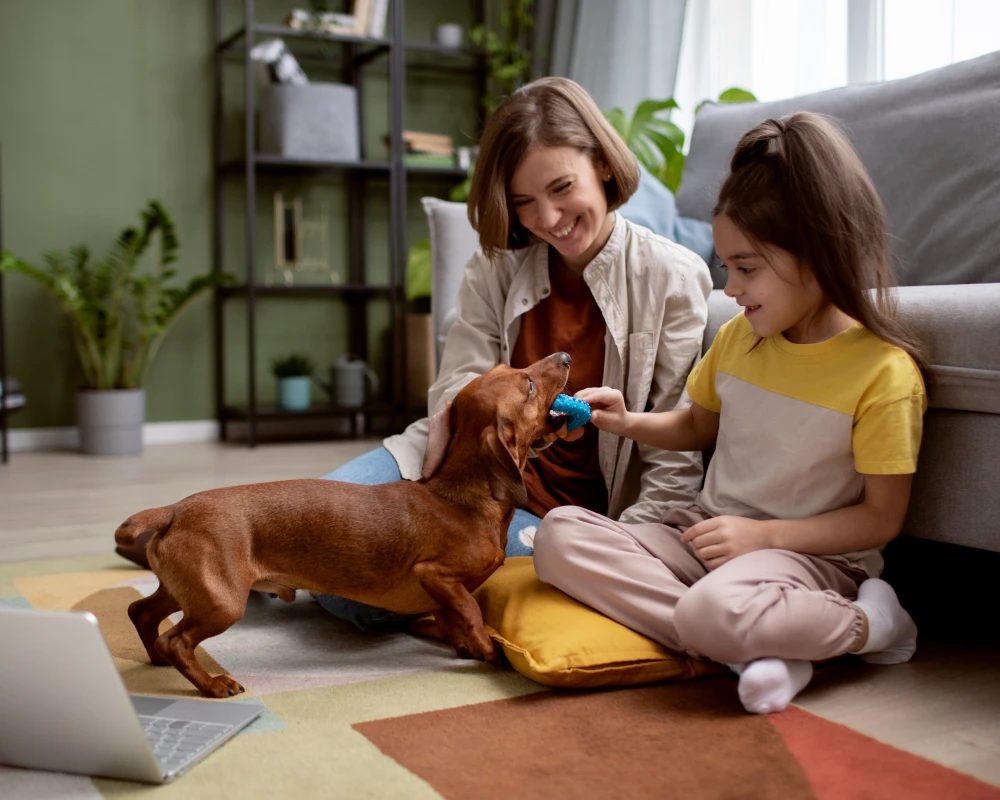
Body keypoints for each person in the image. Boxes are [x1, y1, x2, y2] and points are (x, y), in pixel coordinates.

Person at [533, 112, 927, 715]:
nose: (731, 289)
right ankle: (750, 648)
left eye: (746, 268)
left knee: (709, 609)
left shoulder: (882, 374)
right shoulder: (742, 338)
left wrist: (763, 536)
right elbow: (696, 425)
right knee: (559, 535)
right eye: (727, 268)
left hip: (806, 560)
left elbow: (880, 519)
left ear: (819, 252)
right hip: (708, 535)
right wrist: (626, 421)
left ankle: (871, 624)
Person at [316, 76, 713, 628]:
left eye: (561, 188)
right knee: (318, 530)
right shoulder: (496, 267)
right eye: (524, 202)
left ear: (601, 163)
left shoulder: (670, 277)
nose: (547, 220)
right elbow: (457, 382)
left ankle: (455, 589)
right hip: (463, 479)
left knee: (353, 594)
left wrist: (621, 547)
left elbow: (673, 453)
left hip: (569, 519)